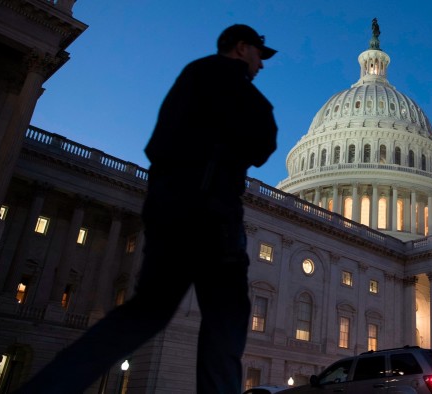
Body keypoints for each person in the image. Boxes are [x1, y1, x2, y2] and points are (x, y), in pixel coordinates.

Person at [15, 24, 278, 394]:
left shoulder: (189, 76)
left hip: (166, 207)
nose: (260, 65)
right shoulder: (242, 91)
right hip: (214, 215)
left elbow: (157, 145)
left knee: (144, 312)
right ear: (241, 48)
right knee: (225, 322)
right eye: (257, 55)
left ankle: (48, 387)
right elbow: (264, 145)